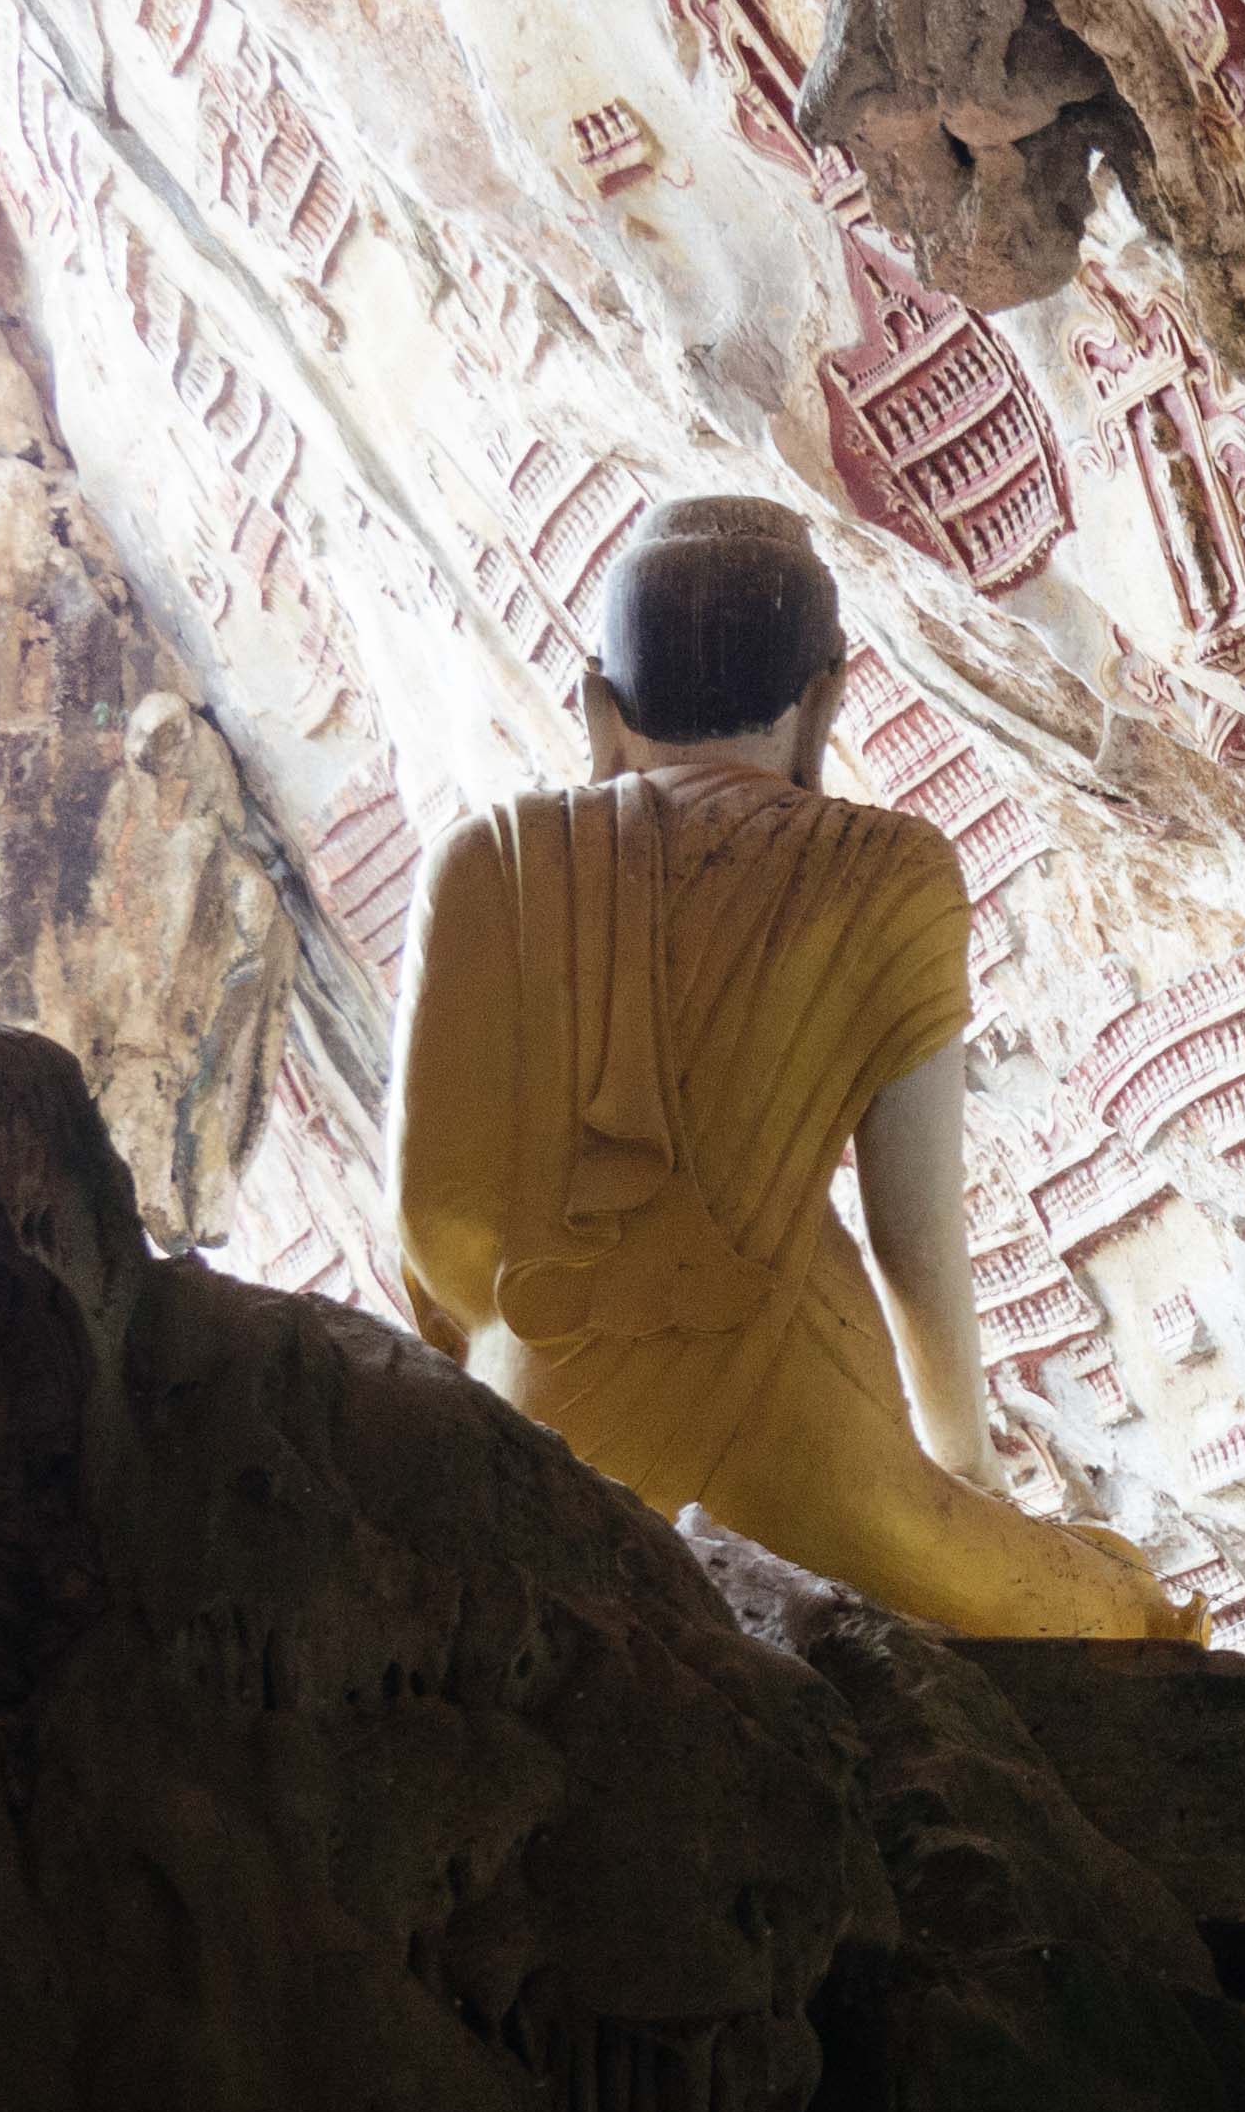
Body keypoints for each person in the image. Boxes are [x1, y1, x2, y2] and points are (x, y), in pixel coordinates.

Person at [394, 494, 1195, 1641]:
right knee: (1122, 1609)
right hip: (809, 1456)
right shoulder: (889, 871)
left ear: (599, 706)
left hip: (539, 1435)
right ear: (824, 703)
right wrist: (965, 1473)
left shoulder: (485, 861)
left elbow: (436, 1222)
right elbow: (914, 1241)